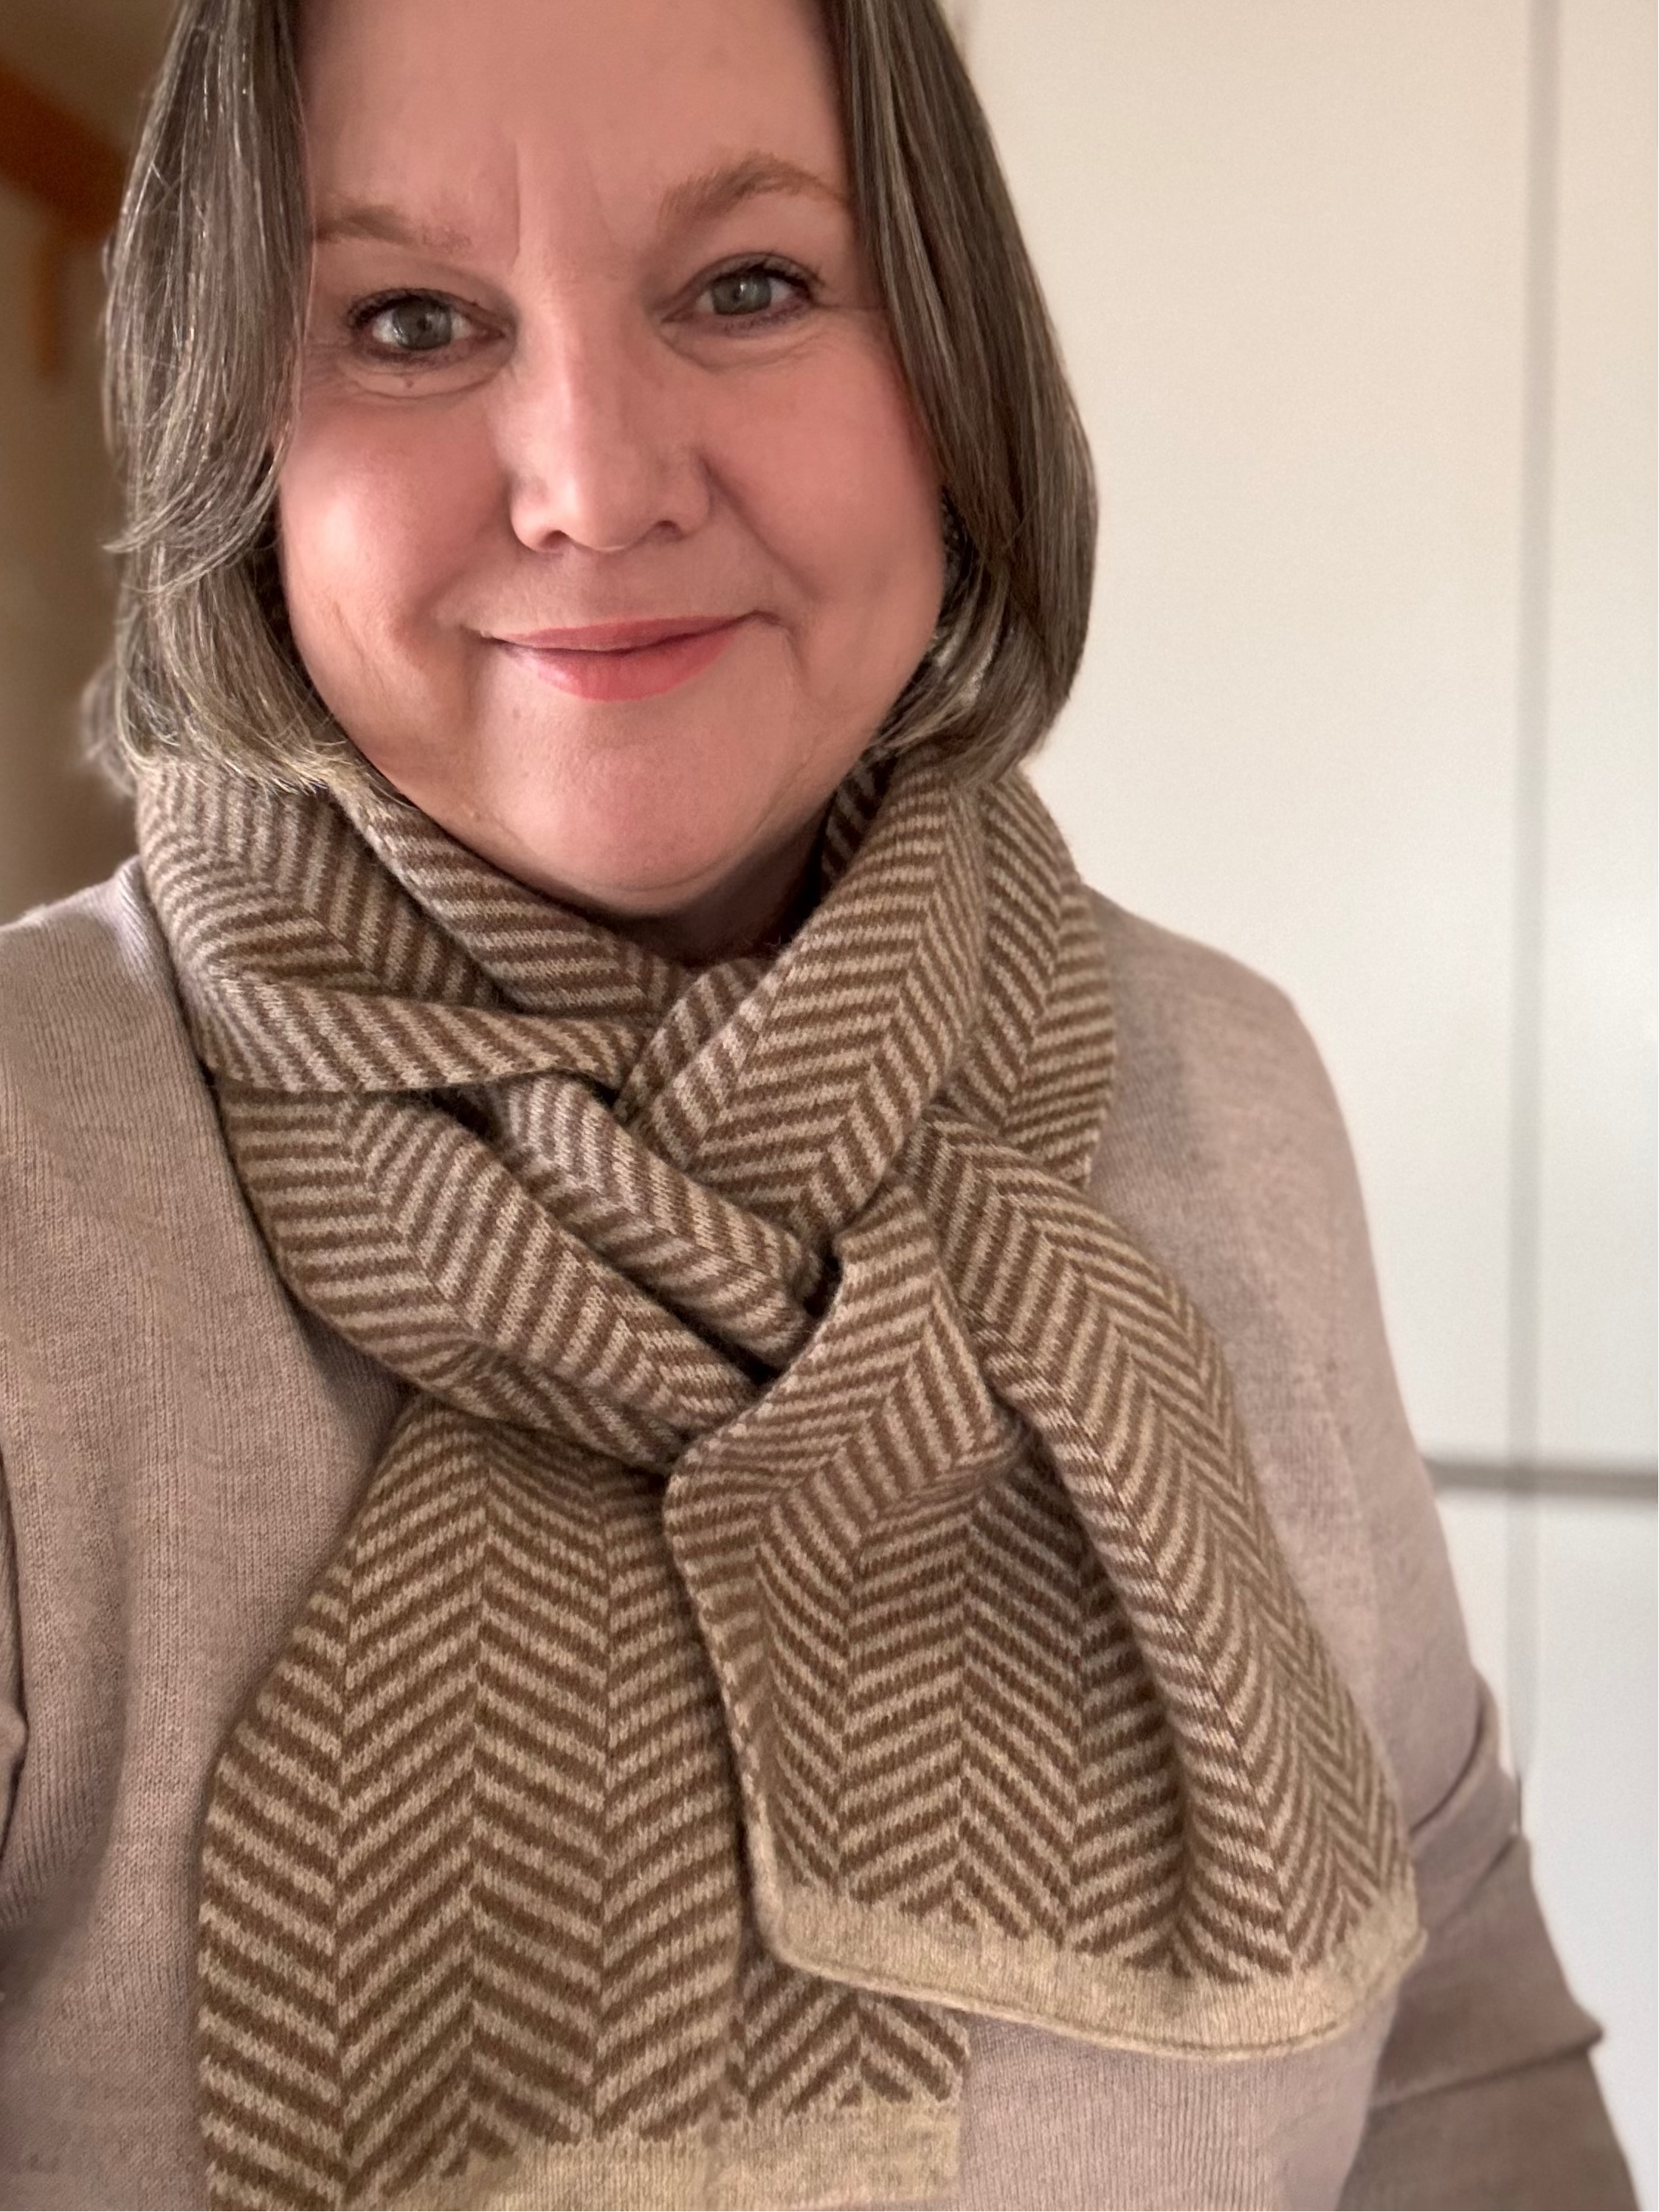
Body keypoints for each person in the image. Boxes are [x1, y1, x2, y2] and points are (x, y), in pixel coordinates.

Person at [0, 1, 1638, 2207]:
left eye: (748, 285)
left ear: (948, 369)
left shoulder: (1223, 1086)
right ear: (236, 447)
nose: (594, 476)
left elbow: (1449, 2045)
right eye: (405, 321)